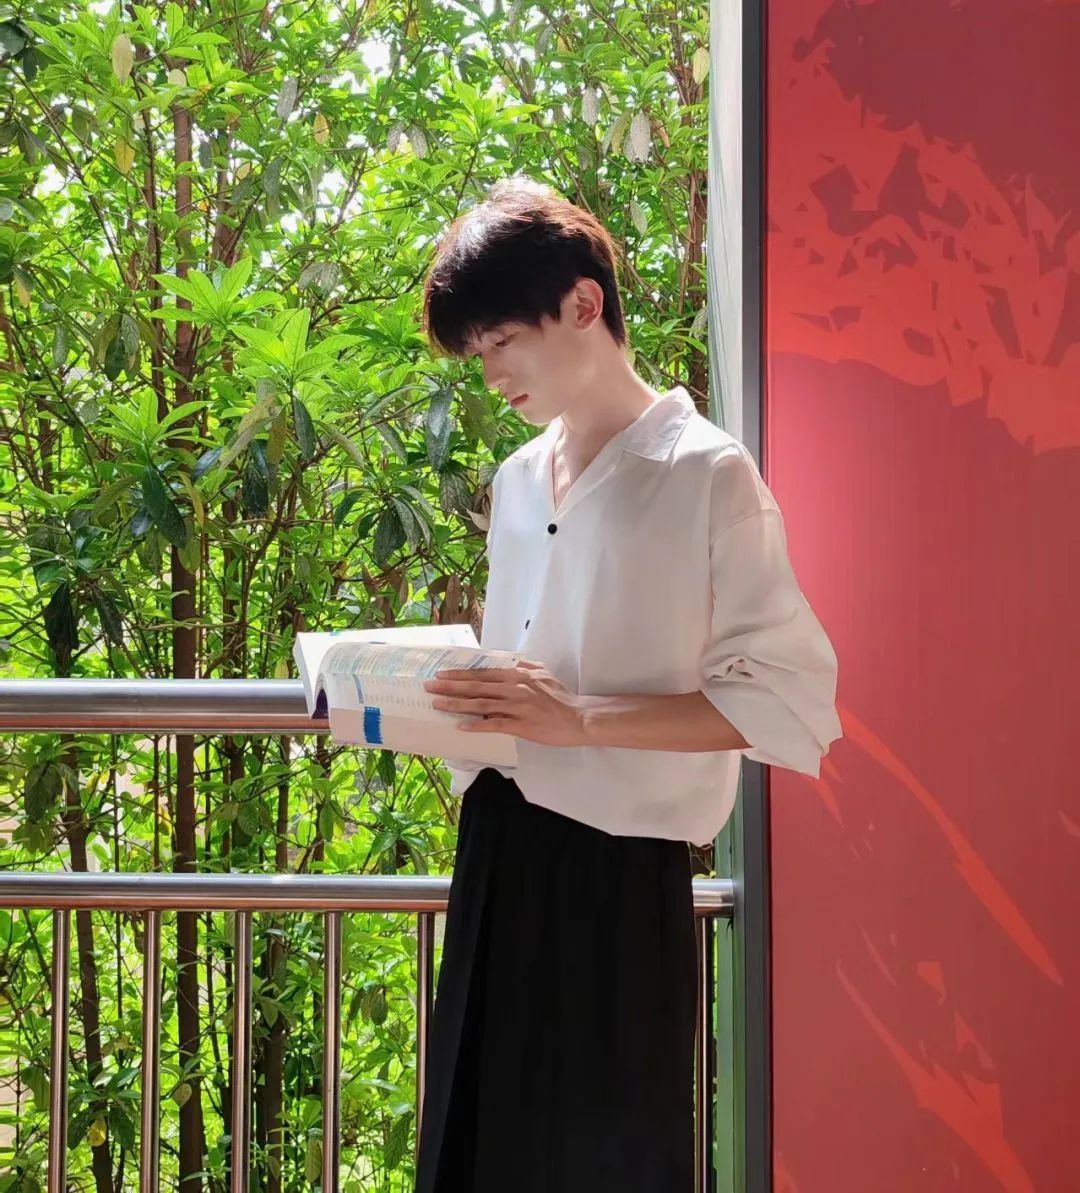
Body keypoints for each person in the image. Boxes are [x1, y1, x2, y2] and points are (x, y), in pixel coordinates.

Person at [413, 176, 841, 1192]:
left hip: (616, 881)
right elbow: (529, 668)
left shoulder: (707, 473)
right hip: (497, 850)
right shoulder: (520, 478)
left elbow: (787, 701)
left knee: (605, 1165)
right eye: (477, 352)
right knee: (472, 1155)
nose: (492, 373)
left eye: (502, 340)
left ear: (583, 303)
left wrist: (578, 718)